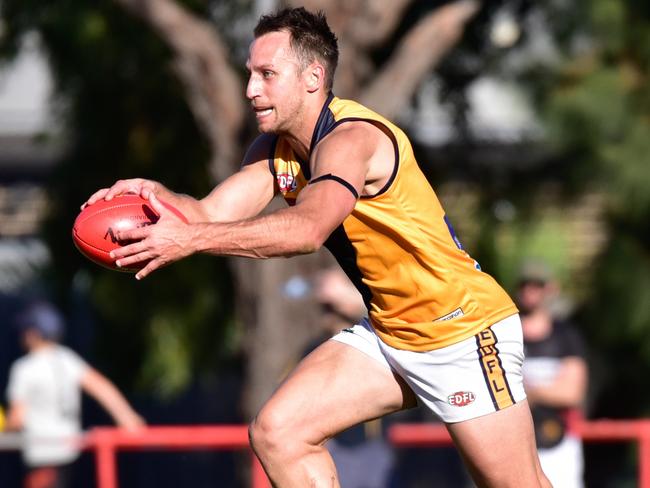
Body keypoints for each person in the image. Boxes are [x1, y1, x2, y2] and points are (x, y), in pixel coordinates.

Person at [83, 7, 549, 487]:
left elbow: (307, 229)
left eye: (267, 75)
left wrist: (191, 240)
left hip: (462, 330)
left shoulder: (352, 139)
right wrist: (158, 200)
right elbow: (207, 214)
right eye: (249, 74)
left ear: (313, 77)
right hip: (392, 333)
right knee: (278, 433)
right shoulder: (277, 150)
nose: (250, 90)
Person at [4, 300, 145, 488]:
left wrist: (4, 431)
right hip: (69, 451)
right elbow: (100, 386)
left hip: (42, 454)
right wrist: (127, 417)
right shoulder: (67, 359)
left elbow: (17, 418)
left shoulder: (25, 368)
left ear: (33, 334)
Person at [517, 261, 589, 488]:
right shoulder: (507, 333)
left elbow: (572, 393)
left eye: (537, 285)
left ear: (550, 289)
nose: (530, 290)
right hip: (515, 443)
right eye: (525, 284)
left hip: (560, 443)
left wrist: (529, 393)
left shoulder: (566, 336)